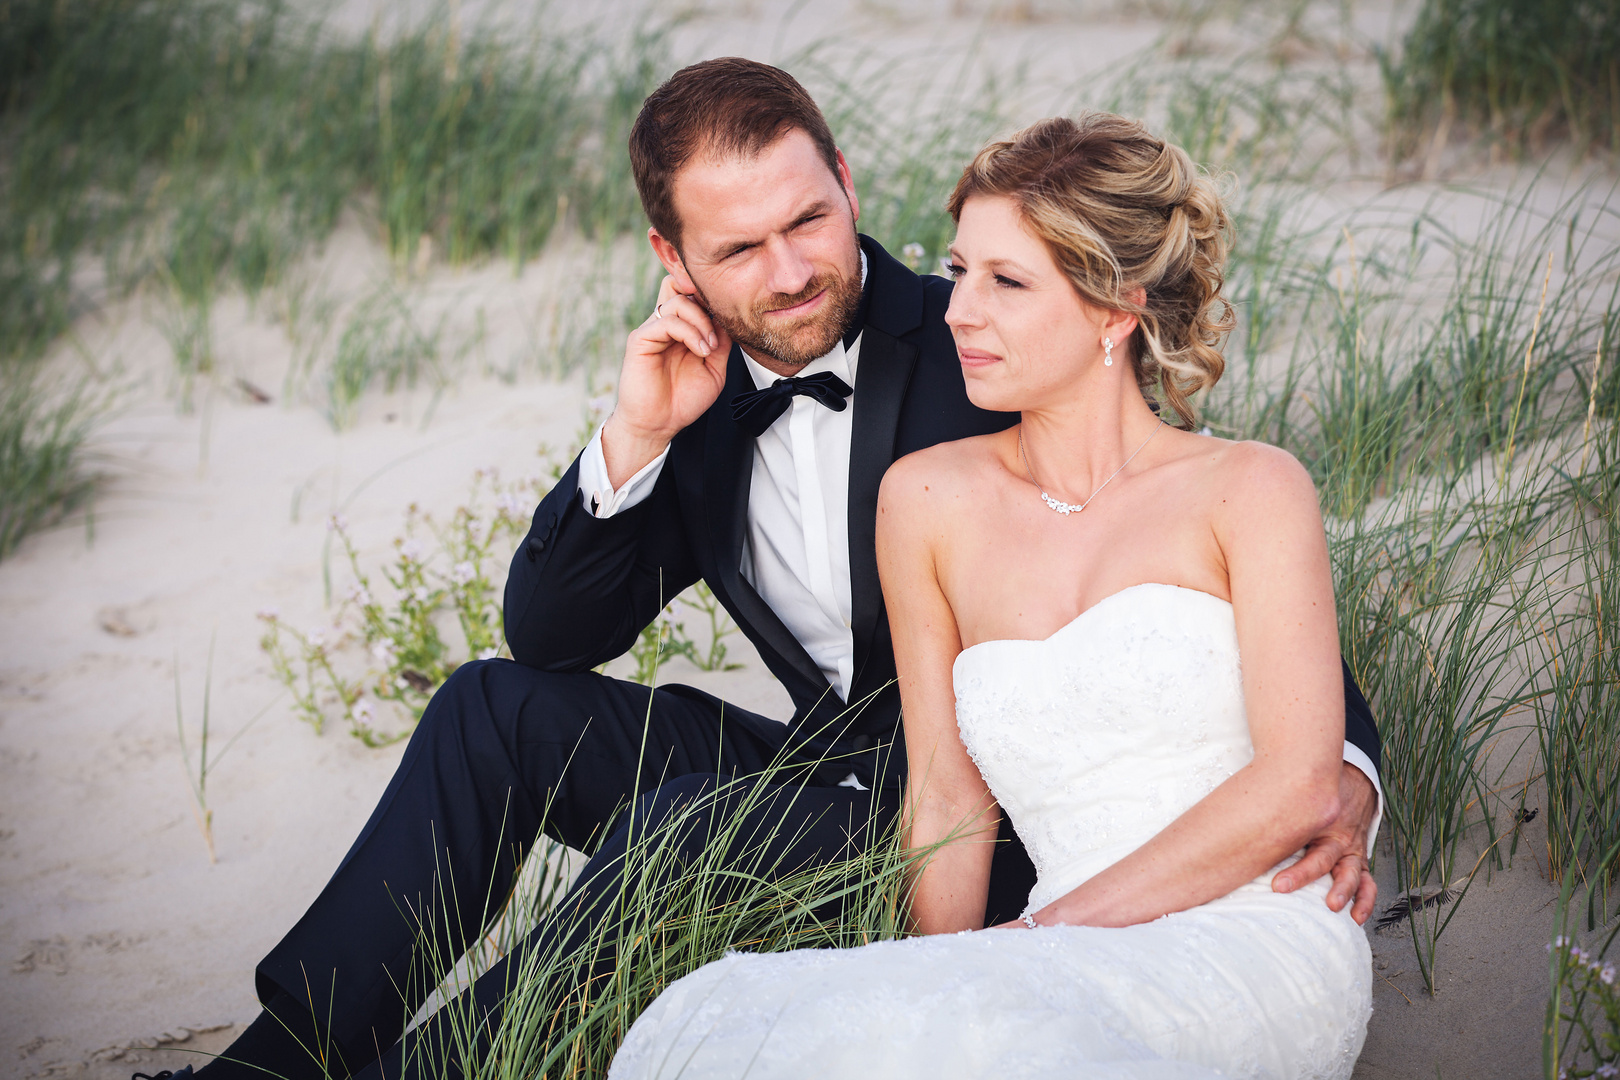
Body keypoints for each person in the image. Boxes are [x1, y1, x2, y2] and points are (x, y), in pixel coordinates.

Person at [158, 62, 1381, 1080]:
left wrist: (1346, 777)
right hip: (823, 775)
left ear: (846, 183)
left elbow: (1186, 592)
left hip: (993, 829)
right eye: (739, 247)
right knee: (492, 708)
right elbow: (550, 636)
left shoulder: (992, 342)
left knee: (683, 827)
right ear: (673, 254)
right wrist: (635, 439)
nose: (791, 270)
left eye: (809, 221)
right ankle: (278, 1065)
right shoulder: (697, 399)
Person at [607, 113, 1373, 1079]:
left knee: (1030, 1045)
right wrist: (940, 977)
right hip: (1036, 943)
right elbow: (945, 802)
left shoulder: (1250, 489)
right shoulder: (927, 499)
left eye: (1007, 283)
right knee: (720, 1019)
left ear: (1115, 307)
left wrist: (1035, 939)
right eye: (961, 270)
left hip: (1251, 937)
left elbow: (1300, 780)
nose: (960, 309)